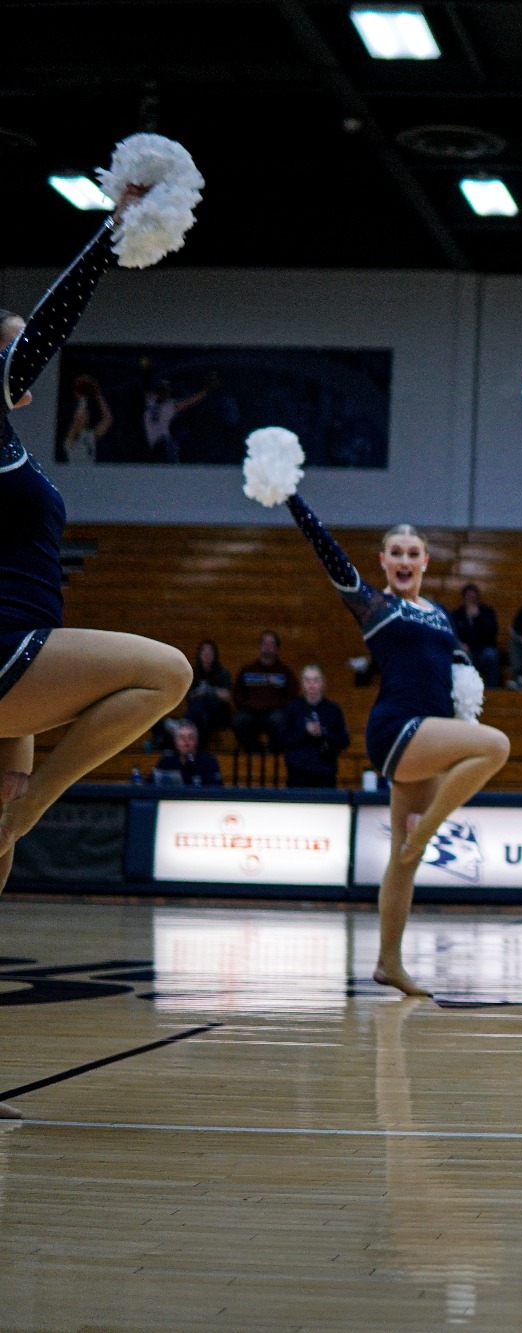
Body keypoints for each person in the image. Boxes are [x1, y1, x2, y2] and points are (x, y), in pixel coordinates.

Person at [0, 177, 196, 1054]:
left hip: (22, 650)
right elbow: (49, 322)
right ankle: (38, 803)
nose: (29, 373)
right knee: (167, 671)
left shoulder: (9, 446)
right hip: (9, 649)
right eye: (14, 355)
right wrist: (114, 228)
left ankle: (18, 808)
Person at [275, 500, 510, 997]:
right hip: (398, 728)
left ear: (425, 561)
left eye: (413, 553)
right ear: (383, 561)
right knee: (495, 746)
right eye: (395, 553)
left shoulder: (441, 614)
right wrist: (296, 501)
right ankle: (425, 830)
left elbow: (456, 665)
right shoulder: (375, 606)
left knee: (404, 862)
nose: (404, 561)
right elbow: (328, 552)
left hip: (431, 731)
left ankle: (389, 963)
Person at [278, 663, 350, 788]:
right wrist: (305, 731)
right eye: (307, 680)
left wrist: (323, 733)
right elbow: (282, 738)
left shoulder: (333, 709)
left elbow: (344, 740)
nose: (311, 685)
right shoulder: (293, 708)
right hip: (298, 772)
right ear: (302, 683)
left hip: (325, 773)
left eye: (316, 680)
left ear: (322, 683)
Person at [233, 631, 297, 754]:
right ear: (260, 647)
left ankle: (274, 752)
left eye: (271, 644)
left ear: (277, 649)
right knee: (239, 721)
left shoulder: (285, 671)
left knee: (280, 721)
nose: (267, 647)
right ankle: (256, 751)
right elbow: (237, 694)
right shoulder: (247, 669)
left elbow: (292, 695)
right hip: (250, 711)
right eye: (265, 643)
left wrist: (278, 705)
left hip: (275, 712)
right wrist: (248, 705)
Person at [183, 639, 233, 749]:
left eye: (210, 653)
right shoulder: (194, 673)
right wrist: (199, 693)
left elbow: (226, 695)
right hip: (201, 714)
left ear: (215, 656)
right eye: (204, 653)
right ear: (199, 655)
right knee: (202, 716)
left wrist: (208, 691)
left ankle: (183, 724)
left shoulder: (222, 673)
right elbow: (188, 696)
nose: (207, 656)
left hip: (219, 713)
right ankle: (199, 749)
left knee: (204, 702)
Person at [450, 583, 501, 687]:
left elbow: (491, 634)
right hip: (464, 652)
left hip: (482, 651)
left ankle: (492, 690)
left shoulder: (487, 612)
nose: (472, 600)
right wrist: (460, 645)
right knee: (457, 655)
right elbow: (451, 635)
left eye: (474, 597)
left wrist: (478, 618)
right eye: (469, 597)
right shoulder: (456, 615)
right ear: (463, 599)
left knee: (492, 655)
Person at [151, 719, 223, 787]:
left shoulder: (209, 761)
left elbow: (217, 789)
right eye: (182, 737)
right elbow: (150, 784)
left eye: (190, 737)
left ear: (196, 741)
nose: (186, 741)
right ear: (175, 742)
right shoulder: (166, 761)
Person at [59, 373, 111, 465]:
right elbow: (77, 421)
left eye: (86, 413)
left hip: (89, 475)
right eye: (84, 413)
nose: (86, 415)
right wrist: (82, 397)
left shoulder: (90, 435)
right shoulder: (70, 440)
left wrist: (98, 395)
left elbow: (108, 419)